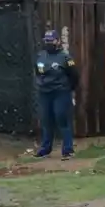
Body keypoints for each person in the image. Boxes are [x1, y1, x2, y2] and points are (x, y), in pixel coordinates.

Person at [34, 30, 78, 160]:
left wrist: (70, 89)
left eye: (51, 40)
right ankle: (45, 149)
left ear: (58, 41)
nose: (49, 43)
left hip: (61, 92)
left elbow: (74, 75)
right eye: (47, 41)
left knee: (62, 118)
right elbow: (37, 72)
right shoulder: (40, 56)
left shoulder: (65, 58)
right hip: (45, 93)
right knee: (46, 120)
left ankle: (68, 150)